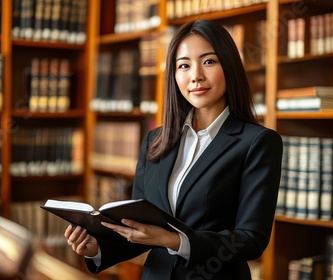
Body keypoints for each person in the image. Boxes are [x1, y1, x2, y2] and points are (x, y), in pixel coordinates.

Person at [65, 19, 283, 279]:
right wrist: (96, 249)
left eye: (209, 61)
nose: (196, 76)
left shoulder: (257, 142)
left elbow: (250, 240)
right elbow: (138, 230)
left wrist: (174, 241)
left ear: (229, 66)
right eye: (184, 65)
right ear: (174, 74)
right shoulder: (155, 140)